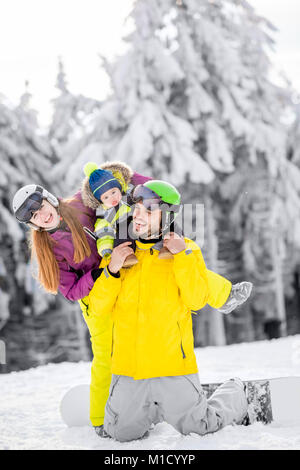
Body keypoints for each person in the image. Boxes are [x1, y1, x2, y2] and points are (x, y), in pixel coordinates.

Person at [86, 180, 250, 441]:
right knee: (119, 434)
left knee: (202, 427)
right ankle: (155, 409)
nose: (138, 217)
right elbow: (98, 308)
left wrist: (182, 257)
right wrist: (112, 270)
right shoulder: (119, 254)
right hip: (129, 370)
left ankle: (236, 392)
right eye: (136, 209)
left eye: (148, 211)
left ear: (166, 217)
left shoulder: (186, 250)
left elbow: (196, 300)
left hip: (172, 366)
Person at [12, 168, 151, 432]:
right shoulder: (48, 250)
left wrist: (150, 187)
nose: (42, 215)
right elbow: (73, 291)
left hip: (122, 283)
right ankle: (100, 419)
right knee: (106, 359)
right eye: (34, 217)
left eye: (40, 207)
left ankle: (146, 403)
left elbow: (113, 181)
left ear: (49, 199)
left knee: (138, 342)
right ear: (32, 224)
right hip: (95, 300)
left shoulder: (80, 204)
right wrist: (101, 273)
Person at [82, 161, 138, 267]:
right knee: (120, 236)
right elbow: (103, 231)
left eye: (113, 192)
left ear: (119, 188)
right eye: (106, 197)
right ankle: (127, 258)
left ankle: (163, 245)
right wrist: (105, 247)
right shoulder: (104, 214)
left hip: (140, 224)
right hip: (125, 236)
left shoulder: (130, 196)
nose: (112, 198)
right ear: (100, 200)